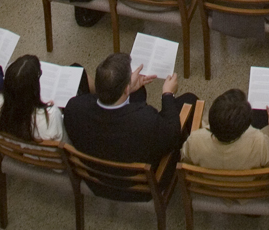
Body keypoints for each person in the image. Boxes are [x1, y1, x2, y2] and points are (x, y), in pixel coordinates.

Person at [63, 51, 195, 183]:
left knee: (138, 93)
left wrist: (131, 89)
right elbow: (171, 135)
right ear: (126, 89)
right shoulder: (146, 120)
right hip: (137, 188)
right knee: (189, 99)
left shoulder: (73, 108)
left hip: (95, 179)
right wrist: (168, 94)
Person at [181, 87, 269, 169]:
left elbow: (185, 161)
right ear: (244, 128)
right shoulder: (259, 142)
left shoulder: (194, 141)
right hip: (248, 190)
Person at [0, 53, 67, 141]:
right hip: (36, 154)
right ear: (33, 89)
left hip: (10, 150)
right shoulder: (51, 116)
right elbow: (63, 143)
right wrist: (56, 110)